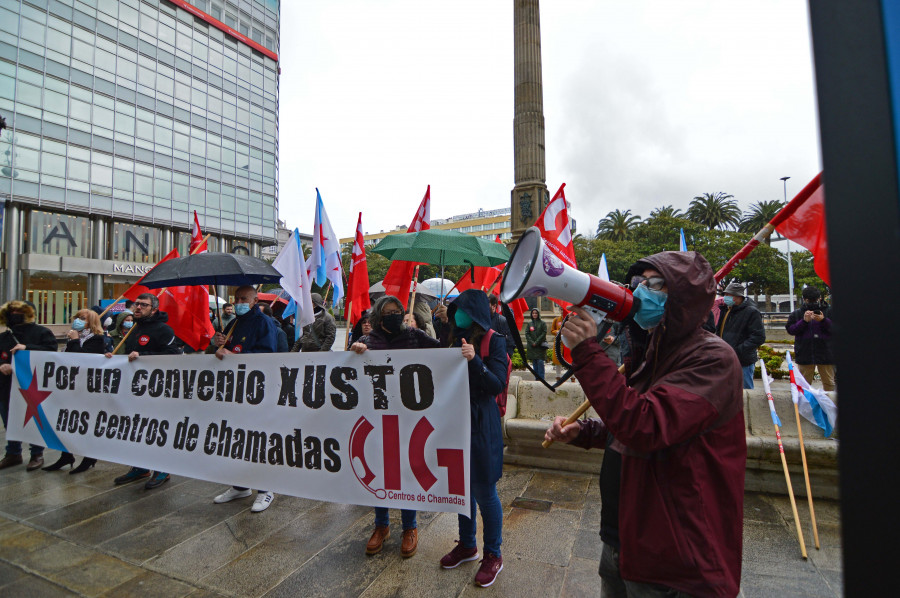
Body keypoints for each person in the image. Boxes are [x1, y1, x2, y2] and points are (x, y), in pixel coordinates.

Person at [544, 251, 746, 598]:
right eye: (640, 284)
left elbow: (646, 426)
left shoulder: (712, 359)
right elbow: (630, 418)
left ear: (683, 298)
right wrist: (586, 432)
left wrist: (589, 355)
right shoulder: (653, 350)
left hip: (673, 549)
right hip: (624, 533)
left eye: (656, 285)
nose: (641, 293)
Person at [350, 295, 448, 558]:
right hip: (377, 418)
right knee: (380, 470)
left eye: (397, 312)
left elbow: (443, 351)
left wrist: (446, 323)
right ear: (379, 317)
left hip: (408, 418)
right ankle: (381, 526)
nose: (393, 316)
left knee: (406, 470)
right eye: (388, 313)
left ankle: (409, 527)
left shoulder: (414, 337)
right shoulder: (369, 342)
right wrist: (356, 350)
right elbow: (351, 367)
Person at [438, 289, 508, 588]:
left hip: (482, 424)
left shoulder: (494, 340)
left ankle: (493, 554)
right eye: (456, 309)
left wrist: (474, 361)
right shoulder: (453, 337)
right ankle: (467, 545)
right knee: (460, 489)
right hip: (456, 421)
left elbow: (496, 384)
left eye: (463, 309)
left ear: (476, 312)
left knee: (484, 490)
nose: (458, 314)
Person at [209, 286, 280, 512]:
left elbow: (267, 356)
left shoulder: (264, 323)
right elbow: (224, 351)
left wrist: (234, 355)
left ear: (254, 300)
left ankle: (266, 488)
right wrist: (217, 343)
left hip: (257, 392)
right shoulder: (234, 323)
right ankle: (240, 486)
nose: (238, 302)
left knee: (258, 439)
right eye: (236, 298)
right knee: (237, 439)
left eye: (243, 299)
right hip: (235, 391)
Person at [105, 293, 182, 489]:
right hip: (135, 389)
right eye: (137, 304)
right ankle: (140, 466)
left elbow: (173, 355)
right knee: (136, 429)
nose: (138, 307)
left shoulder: (163, 330)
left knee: (156, 429)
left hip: (157, 389)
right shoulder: (134, 329)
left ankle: (162, 469)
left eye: (144, 305)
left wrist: (144, 355)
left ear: (154, 309)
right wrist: (112, 358)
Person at [44, 309, 105, 474]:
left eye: (83, 318)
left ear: (91, 322)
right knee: (67, 424)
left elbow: (81, 360)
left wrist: (75, 341)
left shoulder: (97, 339)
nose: (78, 320)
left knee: (85, 424)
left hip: (86, 390)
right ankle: (66, 455)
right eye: (77, 317)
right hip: (70, 387)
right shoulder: (73, 337)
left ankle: (89, 457)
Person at [0, 300, 57, 471]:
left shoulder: (42, 332)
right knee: (9, 421)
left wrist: (27, 348)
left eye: (18, 311)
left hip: (32, 388)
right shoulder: (5, 336)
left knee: (34, 419)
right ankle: (13, 453)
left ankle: (36, 454)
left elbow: (52, 354)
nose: (14, 315)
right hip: (6, 387)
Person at [715, 282, 766, 389]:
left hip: (743, 361)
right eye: (725, 295)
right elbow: (719, 331)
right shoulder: (726, 310)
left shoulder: (751, 312)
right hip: (726, 359)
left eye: (729, 295)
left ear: (738, 297)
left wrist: (738, 350)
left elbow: (758, 337)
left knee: (745, 392)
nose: (725, 298)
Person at [786, 286, 835, 391]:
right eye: (809, 300)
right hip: (805, 353)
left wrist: (823, 320)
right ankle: (805, 405)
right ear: (804, 299)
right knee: (803, 385)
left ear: (820, 298)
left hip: (826, 353)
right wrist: (804, 321)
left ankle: (830, 406)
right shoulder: (798, 313)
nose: (812, 303)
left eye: (815, 300)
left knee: (829, 384)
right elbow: (791, 330)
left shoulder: (829, 312)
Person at [488, 295, 515, 360]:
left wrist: (505, 358)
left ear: (494, 306)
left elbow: (510, 342)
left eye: (486, 305)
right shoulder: (480, 321)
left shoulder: (502, 321)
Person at [525, 308, 547, 379]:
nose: (534, 314)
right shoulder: (529, 324)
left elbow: (544, 333)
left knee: (540, 362)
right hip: (532, 347)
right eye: (533, 313)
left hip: (540, 346)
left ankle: (542, 378)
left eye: (536, 313)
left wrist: (536, 342)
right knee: (534, 363)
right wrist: (532, 342)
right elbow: (527, 333)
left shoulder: (542, 323)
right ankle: (536, 378)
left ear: (538, 314)